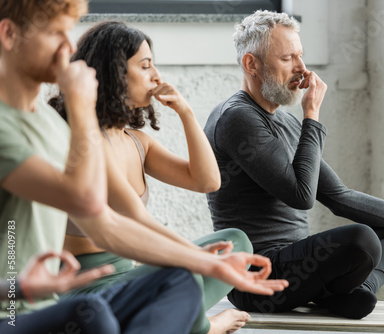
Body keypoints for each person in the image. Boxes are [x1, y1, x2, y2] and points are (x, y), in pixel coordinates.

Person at [0, 2, 288, 333]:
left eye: (70, 31)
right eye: (55, 33)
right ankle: (199, 326)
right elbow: (87, 203)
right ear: (9, 35)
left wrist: (209, 263)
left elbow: (106, 222)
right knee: (89, 313)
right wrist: (81, 110)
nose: (69, 47)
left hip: (56, 294)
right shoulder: (55, 129)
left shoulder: (51, 123)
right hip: (16, 310)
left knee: (188, 274)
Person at [204, 10, 384, 320]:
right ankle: (354, 289)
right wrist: (312, 116)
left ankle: (349, 291)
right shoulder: (237, 118)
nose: (302, 69)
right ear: (251, 64)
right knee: (361, 239)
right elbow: (301, 195)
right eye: (288, 59)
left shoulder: (284, 122)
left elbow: (338, 195)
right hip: (256, 278)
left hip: (298, 265)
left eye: (301, 56)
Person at [49, 21, 257, 334]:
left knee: (235, 243)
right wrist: (196, 258)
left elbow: (207, 181)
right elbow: (137, 218)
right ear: (116, 73)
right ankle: (202, 327)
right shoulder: (86, 140)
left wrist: (186, 112)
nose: (156, 76)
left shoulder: (136, 141)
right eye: (145, 66)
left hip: (129, 276)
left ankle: (161, 320)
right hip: (85, 289)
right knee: (184, 270)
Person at [0, 251, 120, 333]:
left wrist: (19, 288)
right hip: (8, 315)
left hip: (39, 305)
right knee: (90, 311)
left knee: (138, 291)